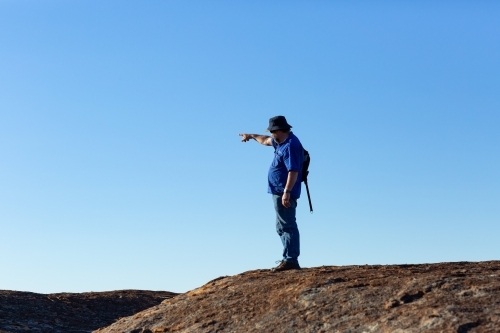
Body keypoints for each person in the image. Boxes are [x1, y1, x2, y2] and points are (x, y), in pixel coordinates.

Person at [239, 115, 304, 272]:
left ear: (278, 130)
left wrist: (287, 192)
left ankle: (291, 260)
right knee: (281, 225)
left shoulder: (290, 145)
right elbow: (266, 140)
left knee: (287, 224)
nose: (271, 134)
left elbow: (293, 171)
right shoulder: (280, 142)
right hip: (278, 191)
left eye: (272, 131)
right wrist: (252, 136)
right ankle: (288, 258)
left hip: (284, 192)